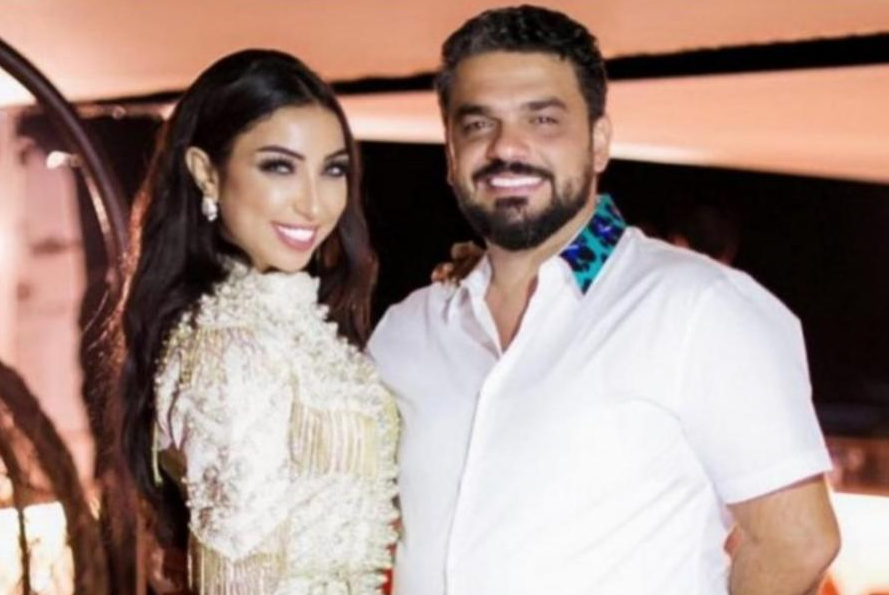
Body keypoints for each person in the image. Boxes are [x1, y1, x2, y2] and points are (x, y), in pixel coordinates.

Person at [367, 6, 839, 595]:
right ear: (450, 153)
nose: (507, 146)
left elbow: (798, 542)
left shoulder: (698, 306)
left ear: (598, 142)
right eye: (478, 124)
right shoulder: (407, 331)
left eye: (543, 120)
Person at [111, 49, 398, 595]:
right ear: (206, 173)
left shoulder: (285, 320)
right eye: (279, 166)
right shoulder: (232, 347)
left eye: (332, 169)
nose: (314, 204)